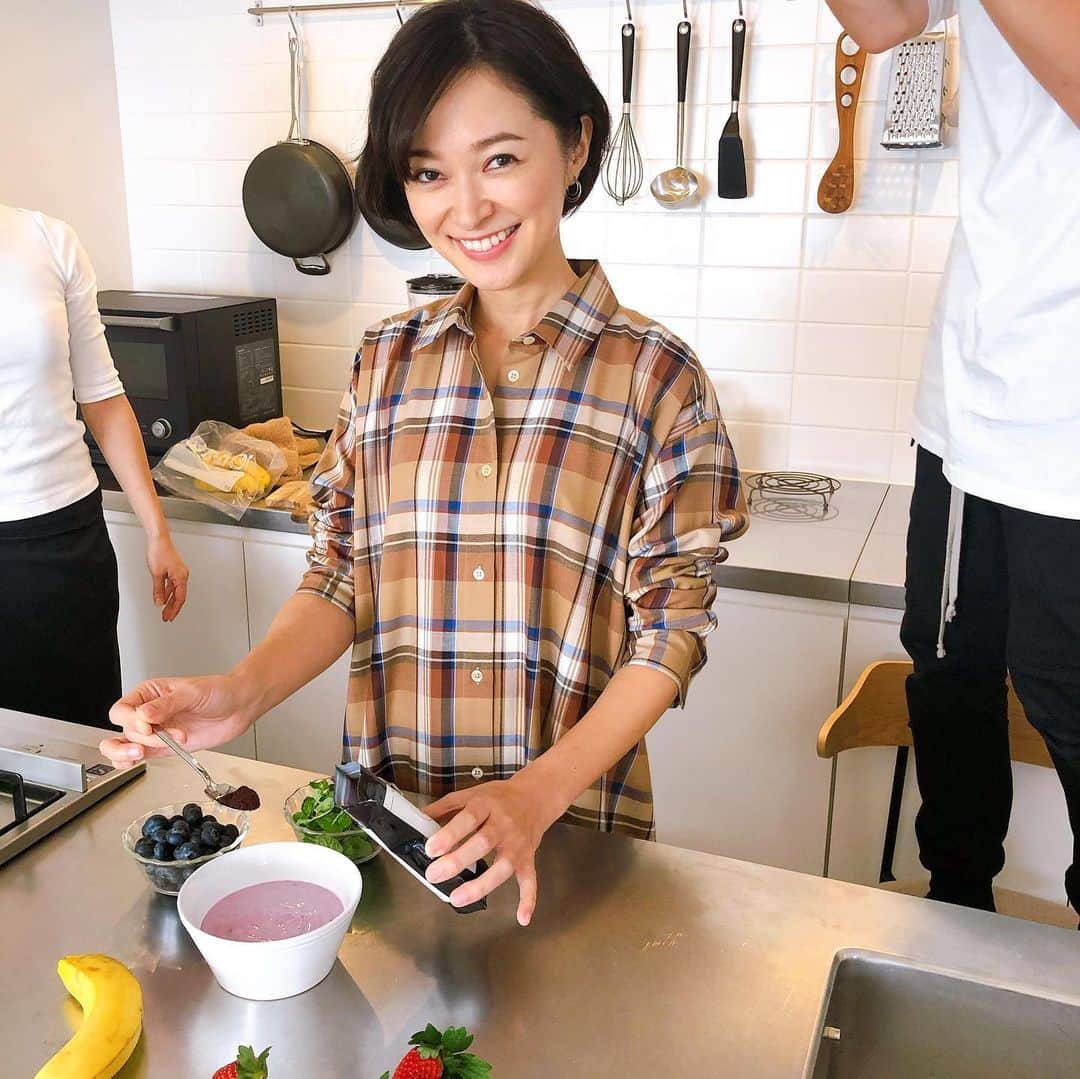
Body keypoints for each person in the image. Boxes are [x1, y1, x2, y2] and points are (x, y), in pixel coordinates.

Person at [99, 0, 747, 926]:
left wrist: (533, 795)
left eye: (501, 159)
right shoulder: (387, 360)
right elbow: (341, 576)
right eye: (429, 172)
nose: (467, 207)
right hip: (391, 838)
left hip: (567, 844)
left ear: (574, 146)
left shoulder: (657, 378)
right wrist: (238, 692)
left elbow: (670, 634)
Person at [826, 0, 1080, 914]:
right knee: (950, 669)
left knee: (1070, 698)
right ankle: (955, 910)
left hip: (1070, 415)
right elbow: (887, 20)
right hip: (978, 381)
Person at [0, 204, 189, 730]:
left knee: (86, 743)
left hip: (68, 542)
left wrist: (157, 531)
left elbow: (104, 398)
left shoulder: (47, 240)